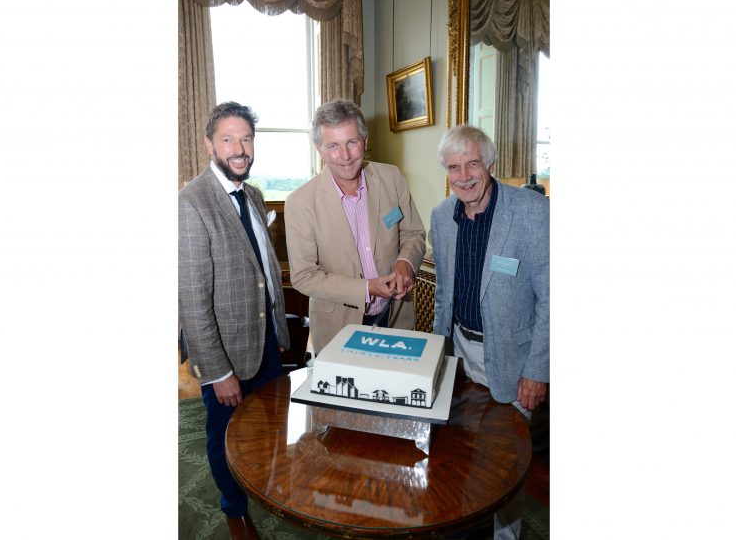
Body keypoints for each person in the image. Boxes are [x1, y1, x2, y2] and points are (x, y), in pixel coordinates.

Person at [431, 124, 549, 540]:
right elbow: (444, 291)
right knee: (462, 455)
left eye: (472, 164)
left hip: (513, 361)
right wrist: (436, 354)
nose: (463, 175)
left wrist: (537, 371)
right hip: (459, 354)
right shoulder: (442, 216)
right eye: (453, 167)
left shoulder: (532, 212)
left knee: (505, 466)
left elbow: (552, 298)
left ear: (491, 164)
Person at [179, 101, 289, 540]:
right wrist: (218, 371)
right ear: (210, 144)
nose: (239, 148)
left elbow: (262, 269)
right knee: (223, 435)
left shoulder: (255, 194)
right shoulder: (192, 202)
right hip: (224, 353)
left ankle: (260, 483)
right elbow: (192, 300)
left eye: (246, 138)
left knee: (262, 427)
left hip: (264, 341)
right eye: (228, 139)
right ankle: (233, 509)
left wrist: (277, 330)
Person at [285, 99, 426, 354]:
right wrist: (367, 289)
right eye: (333, 146)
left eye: (351, 142)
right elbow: (304, 276)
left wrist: (405, 263)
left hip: (395, 319)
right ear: (320, 149)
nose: (346, 156)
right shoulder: (301, 202)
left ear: (365, 141)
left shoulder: (392, 178)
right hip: (337, 328)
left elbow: (413, 233)